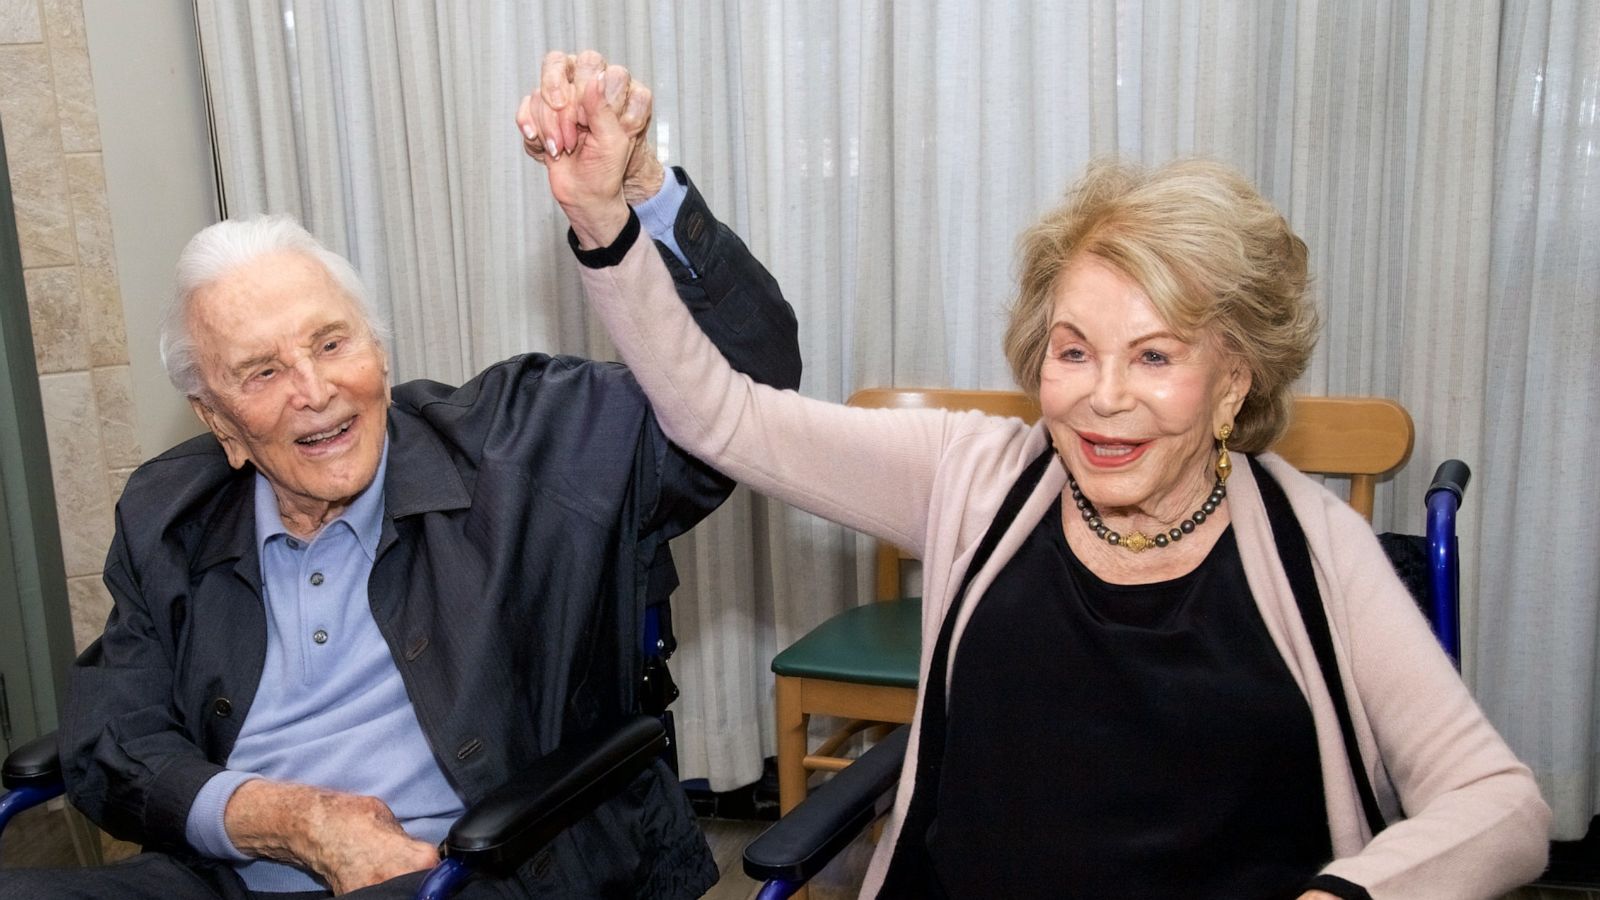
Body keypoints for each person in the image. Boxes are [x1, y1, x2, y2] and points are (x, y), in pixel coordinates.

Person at [540, 78, 1552, 899]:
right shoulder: (972, 479)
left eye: (1154, 357)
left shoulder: (1313, 547)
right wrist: (609, 220)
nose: (1103, 400)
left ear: (1233, 380)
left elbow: (1501, 803)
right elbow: (719, 415)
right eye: (1074, 351)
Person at [0, 51, 799, 900]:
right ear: (220, 424)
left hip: (461, 873)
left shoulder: (518, 446)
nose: (314, 393)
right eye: (261, 373)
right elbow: (113, 738)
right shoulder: (171, 512)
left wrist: (637, 192)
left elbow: (746, 392)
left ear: (380, 354)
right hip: (225, 877)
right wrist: (287, 820)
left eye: (331, 342)